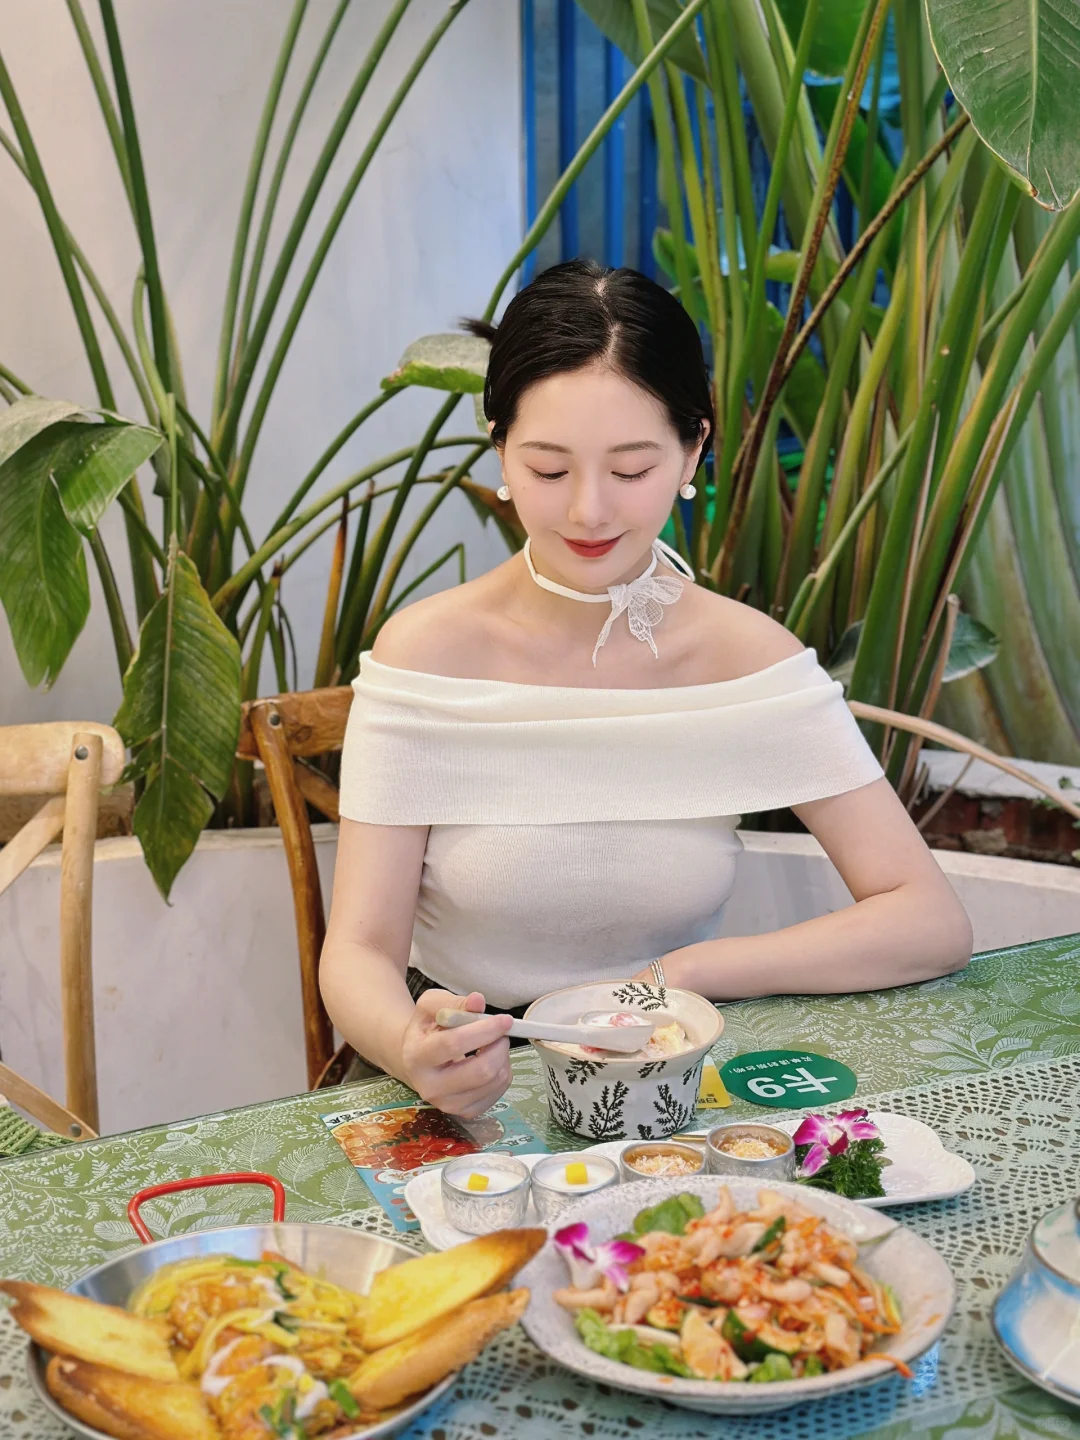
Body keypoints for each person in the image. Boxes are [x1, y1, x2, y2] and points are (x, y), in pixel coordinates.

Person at [320, 259, 972, 1119]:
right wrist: (410, 1044)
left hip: (666, 1073)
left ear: (694, 448)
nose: (589, 511)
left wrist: (687, 974)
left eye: (631, 470)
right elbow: (358, 952)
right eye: (549, 470)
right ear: (500, 447)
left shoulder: (744, 661)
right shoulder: (429, 655)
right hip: (465, 1078)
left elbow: (928, 920)